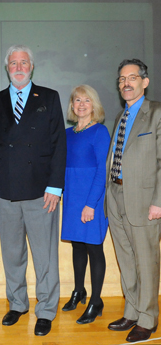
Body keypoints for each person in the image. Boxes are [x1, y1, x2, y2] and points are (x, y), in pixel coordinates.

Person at [0, 44, 66, 336]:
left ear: (32, 67)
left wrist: (55, 186)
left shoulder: (49, 97)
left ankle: (45, 310)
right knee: (12, 254)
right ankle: (17, 304)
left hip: (41, 192)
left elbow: (59, 145)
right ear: (7, 68)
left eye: (24, 62)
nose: (18, 67)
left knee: (45, 256)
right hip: (5, 193)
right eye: (13, 63)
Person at [105, 59, 161, 343]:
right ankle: (132, 310)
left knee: (146, 261)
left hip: (144, 201)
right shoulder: (120, 116)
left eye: (132, 78)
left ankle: (148, 318)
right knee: (126, 259)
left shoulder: (157, 113)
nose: (125, 83)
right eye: (121, 79)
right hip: (115, 196)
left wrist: (159, 201)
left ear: (144, 82)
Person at [61, 85, 110, 324]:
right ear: (72, 106)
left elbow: (103, 171)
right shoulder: (67, 133)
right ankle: (78, 291)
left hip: (92, 199)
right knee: (77, 247)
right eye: (77, 100)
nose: (81, 104)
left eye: (86, 101)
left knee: (94, 248)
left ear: (94, 106)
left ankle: (96, 300)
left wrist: (91, 204)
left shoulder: (100, 132)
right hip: (72, 198)